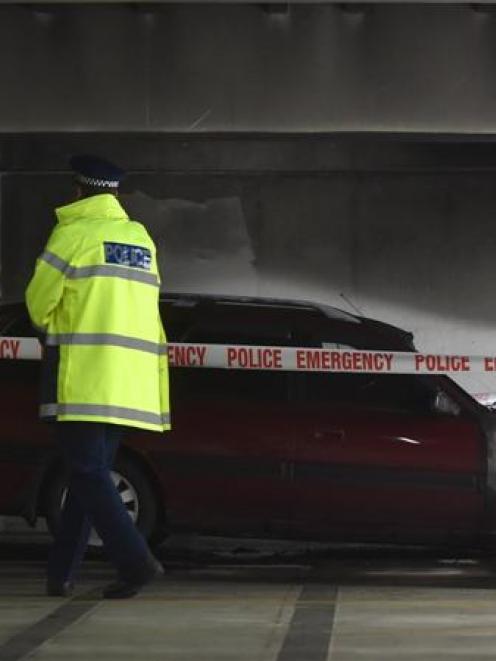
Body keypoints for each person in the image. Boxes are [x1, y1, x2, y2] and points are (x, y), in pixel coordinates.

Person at [25, 154, 170, 599]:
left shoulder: (72, 235)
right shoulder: (140, 238)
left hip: (85, 379)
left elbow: (37, 305)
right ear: (115, 193)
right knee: (88, 471)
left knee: (87, 475)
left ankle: (135, 562)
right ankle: (61, 574)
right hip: (130, 383)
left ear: (77, 190)